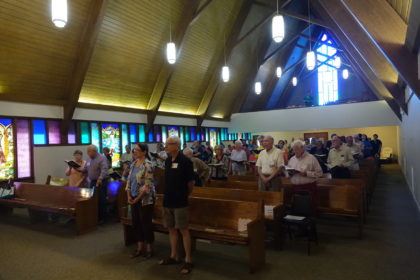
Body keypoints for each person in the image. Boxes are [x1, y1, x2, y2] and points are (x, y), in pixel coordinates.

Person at [158, 136, 195, 274]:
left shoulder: (185, 161)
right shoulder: (168, 161)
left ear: (176, 145)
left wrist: (184, 195)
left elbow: (190, 183)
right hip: (168, 200)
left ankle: (188, 260)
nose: (165, 146)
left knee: (183, 230)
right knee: (171, 229)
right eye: (165, 144)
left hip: (180, 201)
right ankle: (174, 256)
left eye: (168, 144)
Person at [126, 143, 156, 259]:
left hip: (145, 200)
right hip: (133, 197)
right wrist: (129, 195)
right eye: (134, 150)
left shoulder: (148, 165)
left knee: (146, 223)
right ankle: (139, 247)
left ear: (144, 152)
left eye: (137, 150)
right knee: (136, 223)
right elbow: (129, 181)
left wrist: (137, 198)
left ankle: (149, 248)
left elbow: (147, 185)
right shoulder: (133, 164)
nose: (134, 152)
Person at [81, 145, 109, 223]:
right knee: (93, 199)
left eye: (88, 152)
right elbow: (85, 169)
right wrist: (77, 168)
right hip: (93, 181)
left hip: (101, 181)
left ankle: (103, 218)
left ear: (94, 151)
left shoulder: (102, 158)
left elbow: (104, 169)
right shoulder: (89, 158)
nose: (87, 153)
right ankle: (96, 217)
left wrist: (100, 179)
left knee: (101, 199)